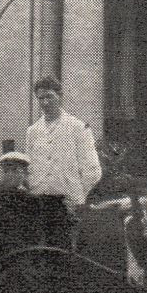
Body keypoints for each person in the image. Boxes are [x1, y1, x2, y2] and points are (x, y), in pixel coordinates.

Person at [25, 76, 102, 211]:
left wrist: (77, 196)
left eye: (49, 97)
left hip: (68, 204)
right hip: (38, 202)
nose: (45, 102)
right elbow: (28, 167)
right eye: (41, 98)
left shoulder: (78, 127)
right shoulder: (33, 131)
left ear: (60, 96)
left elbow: (92, 170)